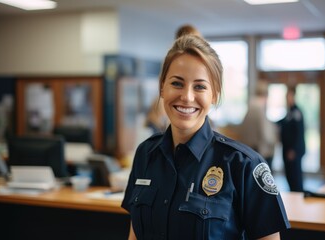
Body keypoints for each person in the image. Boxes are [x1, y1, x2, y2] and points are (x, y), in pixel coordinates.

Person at [121, 35, 290, 240]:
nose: (187, 96)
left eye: (200, 86)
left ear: (215, 95)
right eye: (177, 83)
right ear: (162, 88)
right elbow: (135, 235)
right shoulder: (145, 154)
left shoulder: (244, 165)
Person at [238, 80, 278, 168]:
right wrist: (275, 140)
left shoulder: (250, 109)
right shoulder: (259, 109)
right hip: (260, 153)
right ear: (265, 95)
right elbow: (266, 135)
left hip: (248, 151)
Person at [278, 85, 305, 192]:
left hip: (293, 152)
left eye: (288, 95)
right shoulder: (289, 113)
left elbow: (299, 133)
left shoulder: (297, 112)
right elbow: (282, 122)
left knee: (295, 177)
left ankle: (298, 196)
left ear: (293, 96)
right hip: (286, 149)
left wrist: (294, 150)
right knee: (289, 176)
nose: (287, 98)